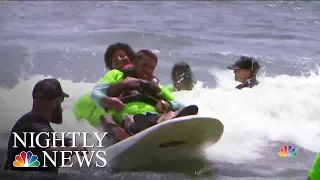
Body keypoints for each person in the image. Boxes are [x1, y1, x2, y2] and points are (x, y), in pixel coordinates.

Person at [91, 50, 196, 142]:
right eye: (145, 65)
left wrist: (167, 104)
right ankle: (129, 135)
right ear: (135, 64)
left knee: (170, 114)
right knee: (107, 117)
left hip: (153, 117)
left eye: (152, 68)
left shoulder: (156, 86)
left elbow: (181, 105)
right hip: (127, 118)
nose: (148, 70)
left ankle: (162, 127)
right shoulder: (118, 76)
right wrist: (109, 100)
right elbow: (96, 93)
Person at [3, 78, 86, 173]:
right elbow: (51, 157)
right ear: (55, 102)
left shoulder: (25, 121)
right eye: (61, 100)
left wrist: (68, 141)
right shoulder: (39, 128)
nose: (61, 107)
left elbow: (41, 144)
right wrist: (73, 148)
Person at [72, 42, 136, 128]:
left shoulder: (141, 76)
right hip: (90, 109)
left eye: (122, 55)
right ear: (111, 66)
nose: (119, 59)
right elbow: (97, 92)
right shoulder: (115, 74)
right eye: (114, 59)